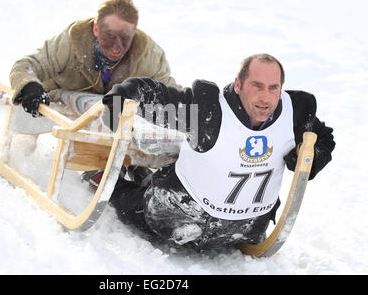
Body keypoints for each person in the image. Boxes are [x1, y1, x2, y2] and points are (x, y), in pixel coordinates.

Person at [101, 53, 335, 251]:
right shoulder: (209, 112)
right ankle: (107, 180)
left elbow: (324, 139)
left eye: (273, 88)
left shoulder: (294, 115)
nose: (266, 97)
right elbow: (155, 95)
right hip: (178, 213)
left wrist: (312, 158)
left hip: (250, 223)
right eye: (257, 86)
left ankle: (142, 174)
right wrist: (119, 99)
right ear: (238, 84)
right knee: (132, 206)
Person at [9, 0, 180, 118]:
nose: (117, 46)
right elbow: (27, 65)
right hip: (57, 98)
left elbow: (168, 90)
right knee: (25, 125)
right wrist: (30, 87)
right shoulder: (70, 42)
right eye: (110, 36)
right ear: (96, 29)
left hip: (108, 112)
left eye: (125, 37)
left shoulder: (150, 55)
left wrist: (190, 105)